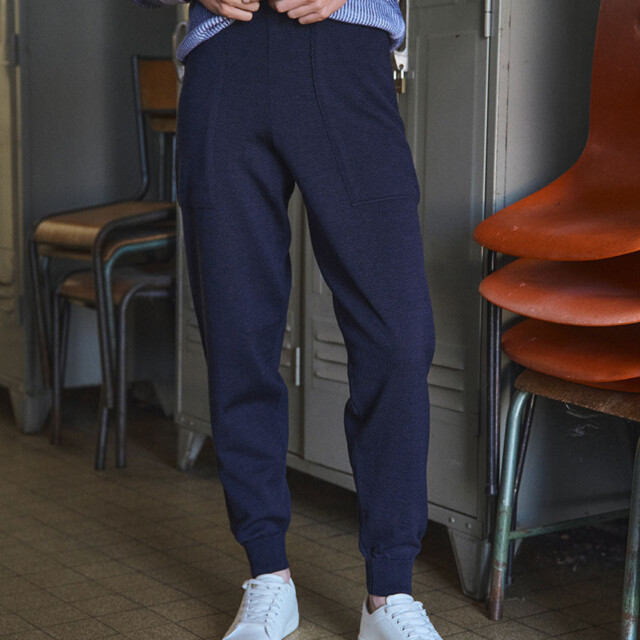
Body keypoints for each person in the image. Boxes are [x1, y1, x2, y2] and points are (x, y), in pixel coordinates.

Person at [131, 0, 441, 639]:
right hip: (225, 61)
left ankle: (389, 592)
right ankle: (267, 573)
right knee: (237, 333)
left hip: (346, 53)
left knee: (398, 335)